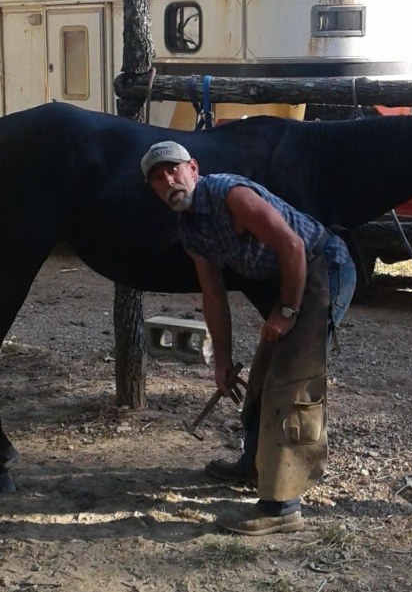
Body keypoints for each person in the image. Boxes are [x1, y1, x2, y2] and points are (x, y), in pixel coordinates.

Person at [141, 141, 357, 536]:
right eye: (157, 178)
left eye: (173, 170)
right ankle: (254, 463)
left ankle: (281, 507)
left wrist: (287, 311)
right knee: (261, 376)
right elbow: (214, 297)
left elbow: (292, 244)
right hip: (296, 277)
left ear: (193, 168)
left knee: (289, 381)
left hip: (325, 267)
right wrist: (221, 361)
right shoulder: (189, 231)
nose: (167, 180)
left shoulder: (230, 194)